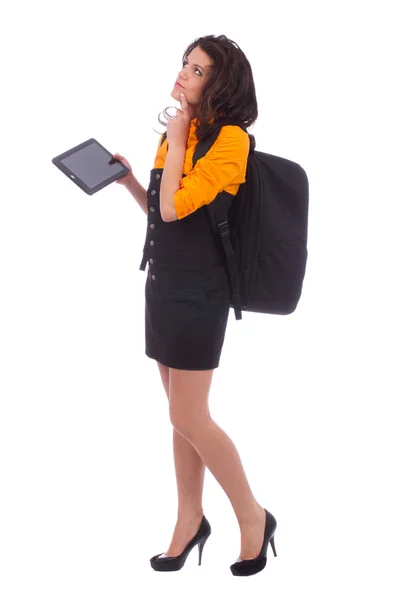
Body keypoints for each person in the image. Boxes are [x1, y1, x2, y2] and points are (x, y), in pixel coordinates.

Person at [113, 35, 277, 577]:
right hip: (163, 284)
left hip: (200, 292)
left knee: (188, 413)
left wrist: (179, 138)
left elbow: (178, 207)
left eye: (198, 70)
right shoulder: (180, 133)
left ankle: (253, 517)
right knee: (180, 417)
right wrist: (130, 180)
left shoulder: (230, 141)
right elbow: (160, 214)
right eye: (185, 64)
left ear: (220, 84)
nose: (184, 75)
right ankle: (189, 519)